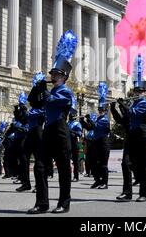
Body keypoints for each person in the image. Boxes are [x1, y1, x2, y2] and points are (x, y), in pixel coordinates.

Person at [27, 30, 77, 215]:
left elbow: (53, 101)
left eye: (56, 73)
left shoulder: (65, 92)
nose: (53, 76)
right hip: (48, 130)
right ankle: (42, 203)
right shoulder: (49, 90)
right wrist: (36, 87)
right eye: (52, 73)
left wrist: (45, 92)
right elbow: (34, 102)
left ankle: (64, 203)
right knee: (40, 166)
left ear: (64, 76)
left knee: (64, 168)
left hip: (60, 130)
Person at [116, 55, 146, 202]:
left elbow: (136, 114)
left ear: (144, 92)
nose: (136, 94)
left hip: (142, 135)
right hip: (131, 135)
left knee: (143, 165)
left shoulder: (145, 103)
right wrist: (118, 107)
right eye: (135, 91)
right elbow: (125, 118)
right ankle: (127, 192)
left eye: (139, 91)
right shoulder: (132, 103)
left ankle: (143, 193)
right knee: (125, 163)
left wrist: (125, 106)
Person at [81, 82, 111, 189]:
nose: (100, 111)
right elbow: (90, 127)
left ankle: (105, 182)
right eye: (99, 110)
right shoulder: (98, 119)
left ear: (105, 111)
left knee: (103, 164)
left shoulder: (105, 120)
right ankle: (97, 180)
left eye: (102, 110)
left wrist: (89, 119)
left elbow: (96, 127)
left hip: (103, 142)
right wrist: (83, 121)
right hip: (96, 142)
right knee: (94, 163)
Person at [68, 97, 82, 182]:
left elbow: (79, 134)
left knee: (76, 161)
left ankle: (76, 176)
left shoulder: (77, 123)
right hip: (67, 143)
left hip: (74, 143)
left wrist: (72, 131)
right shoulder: (67, 123)